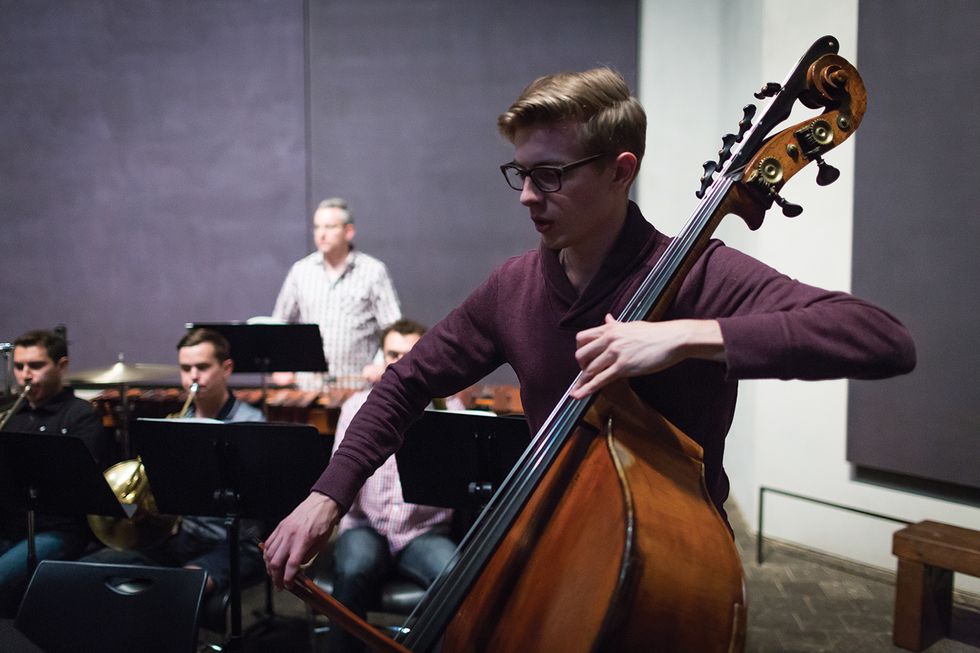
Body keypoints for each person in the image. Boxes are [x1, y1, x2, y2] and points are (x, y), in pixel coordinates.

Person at [264, 67, 916, 593]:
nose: (527, 196)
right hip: (555, 540)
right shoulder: (513, 287)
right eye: (521, 174)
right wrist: (327, 494)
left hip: (675, 565)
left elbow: (883, 338)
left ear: (619, 169)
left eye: (550, 175)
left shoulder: (698, 273)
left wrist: (690, 335)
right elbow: (407, 380)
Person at [83, 328, 264, 598]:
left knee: (178, 593)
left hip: (235, 542)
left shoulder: (251, 423)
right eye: (186, 368)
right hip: (184, 537)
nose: (193, 376)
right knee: (90, 572)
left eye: (202, 367)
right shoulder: (175, 423)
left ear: (226, 369)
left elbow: (260, 496)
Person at [324, 318, 461, 653]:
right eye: (392, 353)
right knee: (353, 567)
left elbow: (455, 485)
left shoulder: (451, 408)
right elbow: (341, 474)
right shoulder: (355, 406)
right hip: (365, 526)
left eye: (410, 353)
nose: (400, 363)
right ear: (380, 356)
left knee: (456, 575)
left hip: (423, 531)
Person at [0, 329, 111, 617]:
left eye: (36, 366)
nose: (25, 375)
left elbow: (77, 482)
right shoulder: (11, 416)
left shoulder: (80, 416)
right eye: (19, 366)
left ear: (61, 366)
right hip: (10, 527)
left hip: (58, 530)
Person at [271, 197, 402, 390]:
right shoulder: (301, 271)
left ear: (348, 231)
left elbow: (393, 327)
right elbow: (280, 323)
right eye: (317, 227)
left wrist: (380, 363)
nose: (321, 234)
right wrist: (282, 364)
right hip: (310, 386)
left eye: (330, 227)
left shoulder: (373, 271)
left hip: (356, 385)